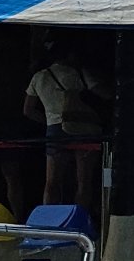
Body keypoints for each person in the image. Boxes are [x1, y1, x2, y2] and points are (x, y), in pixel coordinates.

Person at [24, 37, 108, 213]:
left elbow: (28, 110)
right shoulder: (78, 72)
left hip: (54, 129)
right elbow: (103, 93)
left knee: (52, 181)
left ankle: (48, 219)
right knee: (83, 181)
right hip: (83, 128)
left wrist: (49, 120)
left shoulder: (39, 77)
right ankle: (79, 219)